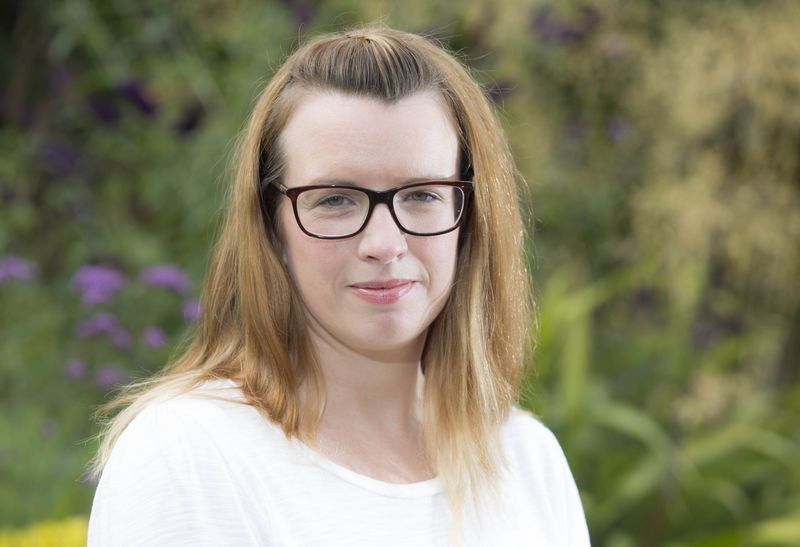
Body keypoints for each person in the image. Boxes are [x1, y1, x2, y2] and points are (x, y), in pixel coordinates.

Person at [86, 25, 591, 546]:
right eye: (335, 200)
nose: (385, 243)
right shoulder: (188, 455)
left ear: (470, 217)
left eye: (422, 194)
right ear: (271, 225)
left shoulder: (527, 461)